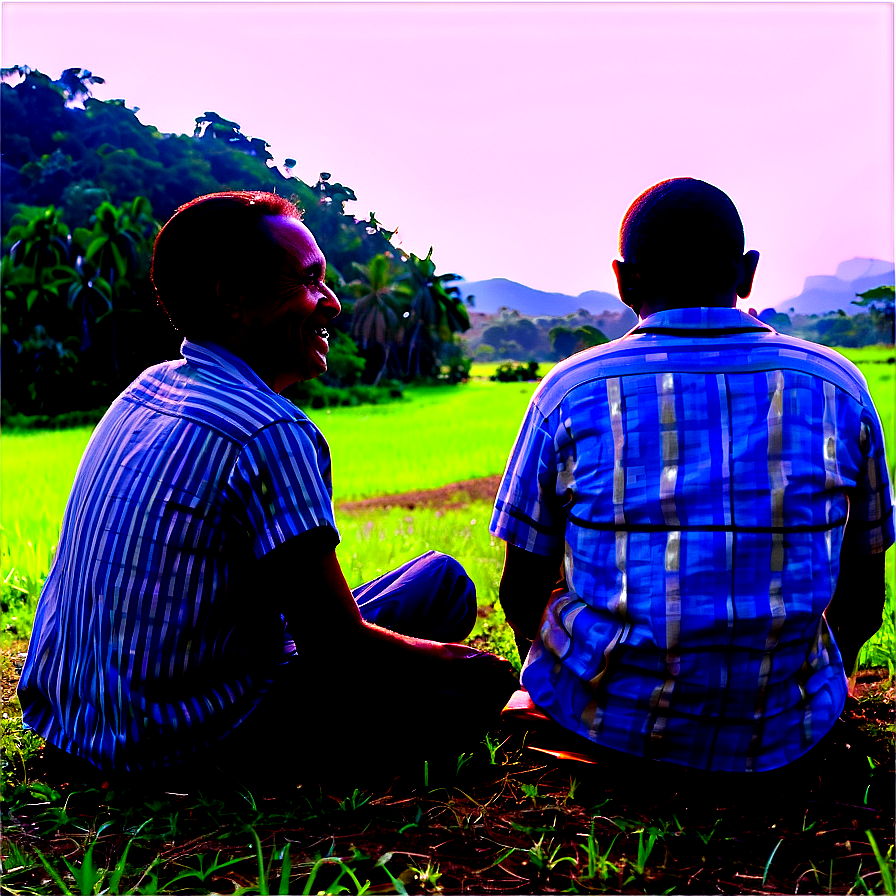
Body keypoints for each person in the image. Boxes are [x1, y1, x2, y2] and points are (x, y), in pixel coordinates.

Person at [18, 191, 516, 788]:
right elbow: (337, 648)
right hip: (183, 744)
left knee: (438, 581)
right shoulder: (270, 430)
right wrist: (481, 674)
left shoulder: (146, 388)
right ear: (235, 301)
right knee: (457, 647)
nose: (331, 302)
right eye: (310, 281)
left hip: (72, 723)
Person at [491, 178, 893, 776]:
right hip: (791, 733)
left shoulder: (572, 390)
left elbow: (521, 590)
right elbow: (863, 594)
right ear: (748, 272)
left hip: (606, 730)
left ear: (624, 280)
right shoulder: (839, 385)